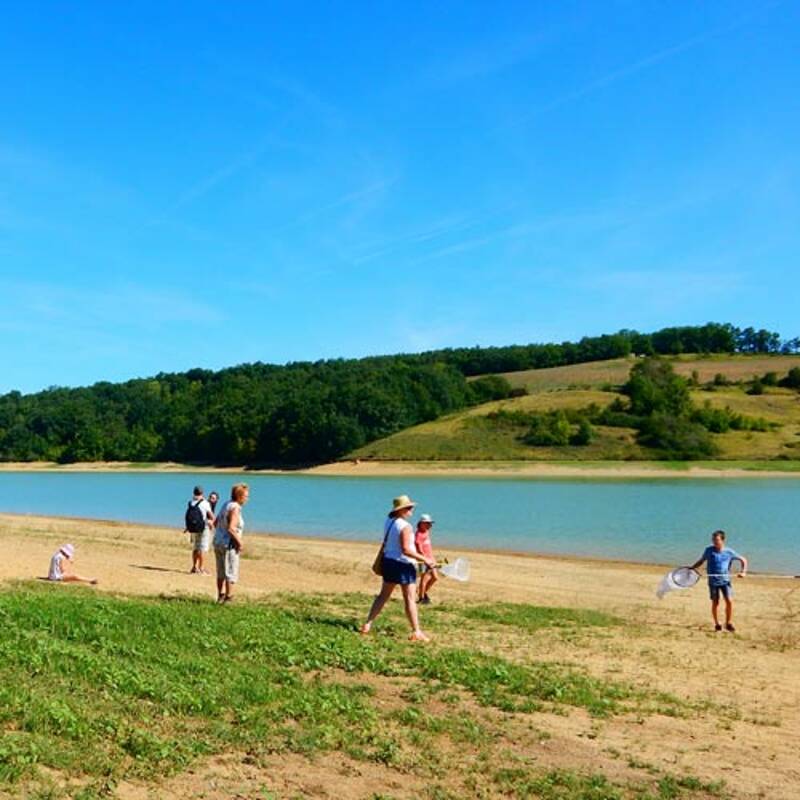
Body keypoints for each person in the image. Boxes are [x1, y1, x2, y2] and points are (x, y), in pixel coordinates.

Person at [360, 495, 436, 642]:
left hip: (389, 562)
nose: (411, 510)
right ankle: (416, 631)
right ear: (401, 510)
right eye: (408, 508)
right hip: (403, 565)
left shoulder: (389, 521)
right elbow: (406, 550)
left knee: (383, 596)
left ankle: (368, 624)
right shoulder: (405, 526)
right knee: (409, 599)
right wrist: (425, 559)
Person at [690, 529, 748, 632]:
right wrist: (692, 568)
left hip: (725, 581)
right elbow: (701, 561)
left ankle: (728, 623)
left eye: (717, 540)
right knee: (715, 603)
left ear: (722, 540)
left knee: (729, 601)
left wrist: (743, 571)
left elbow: (743, 559)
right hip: (713, 582)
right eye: (713, 540)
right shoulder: (709, 550)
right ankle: (717, 624)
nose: (714, 542)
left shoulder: (729, 552)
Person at [213, 483, 249, 604]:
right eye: (245, 496)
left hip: (218, 541)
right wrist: (240, 542)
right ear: (239, 496)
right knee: (230, 571)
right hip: (229, 544)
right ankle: (228, 598)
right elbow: (231, 528)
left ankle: (220, 596)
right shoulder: (235, 508)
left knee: (220, 571)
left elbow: (215, 522)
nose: (247, 499)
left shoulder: (226, 504)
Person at [185, 486, 215, 575]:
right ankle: (201, 568)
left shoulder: (191, 502)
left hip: (193, 528)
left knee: (195, 547)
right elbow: (212, 516)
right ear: (202, 493)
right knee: (203, 548)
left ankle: (194, 567)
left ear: (193, 493)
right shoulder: (205, 503)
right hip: (203, 527)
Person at [415, 514, 438, 605]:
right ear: (421, 523)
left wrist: (432, 559)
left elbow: (428, 547)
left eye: (430, 524)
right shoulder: (419, 535)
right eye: (428, 523)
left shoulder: (426, 532)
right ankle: (421, 598)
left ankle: (422, 592)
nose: (430, 526)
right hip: (424, 560)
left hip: (430, 559)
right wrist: (426, 560)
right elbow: (419, 549)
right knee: (424, 579)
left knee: (435, 577)